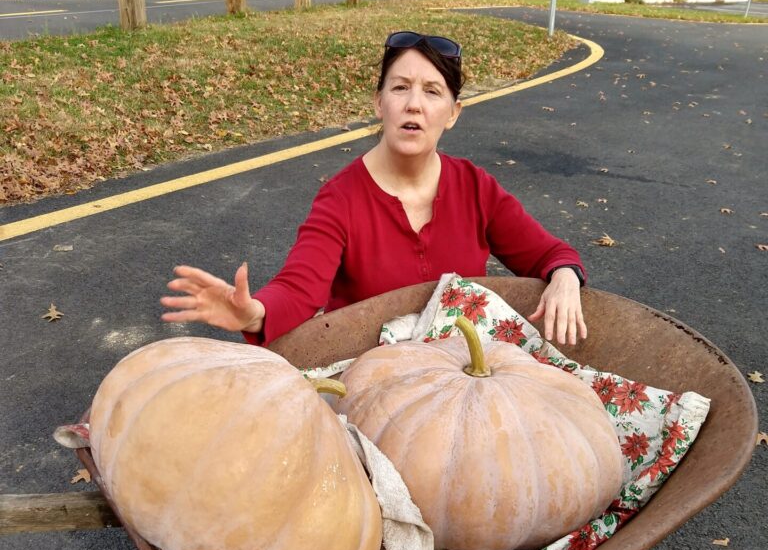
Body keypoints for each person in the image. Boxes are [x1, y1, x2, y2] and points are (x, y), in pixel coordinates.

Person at [161, 30, 587, 346]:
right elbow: (299, 288)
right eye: (400, 87)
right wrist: (255, 313)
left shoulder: (476, 188)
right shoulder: (341, 198)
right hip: (371, 380)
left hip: (459, 372)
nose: (413, 104)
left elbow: (548, 253)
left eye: (432, 92)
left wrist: (564, 277)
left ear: (453, 112)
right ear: (379, 102)